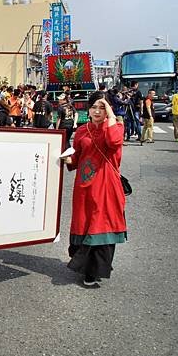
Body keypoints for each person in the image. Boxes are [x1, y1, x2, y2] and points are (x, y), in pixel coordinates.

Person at [62, 91, 126, 288]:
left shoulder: (115, 127)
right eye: (94, 107)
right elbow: (76, 158)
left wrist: (111, 116)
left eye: (102, 107)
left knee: (100, 225)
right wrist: (67, 159)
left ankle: (93, 270)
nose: (97, 111)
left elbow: (113, 142)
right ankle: (84, 266)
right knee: (84, 223)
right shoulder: (82, 131)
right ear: (88, 109)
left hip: (107, 186)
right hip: (84, 187)